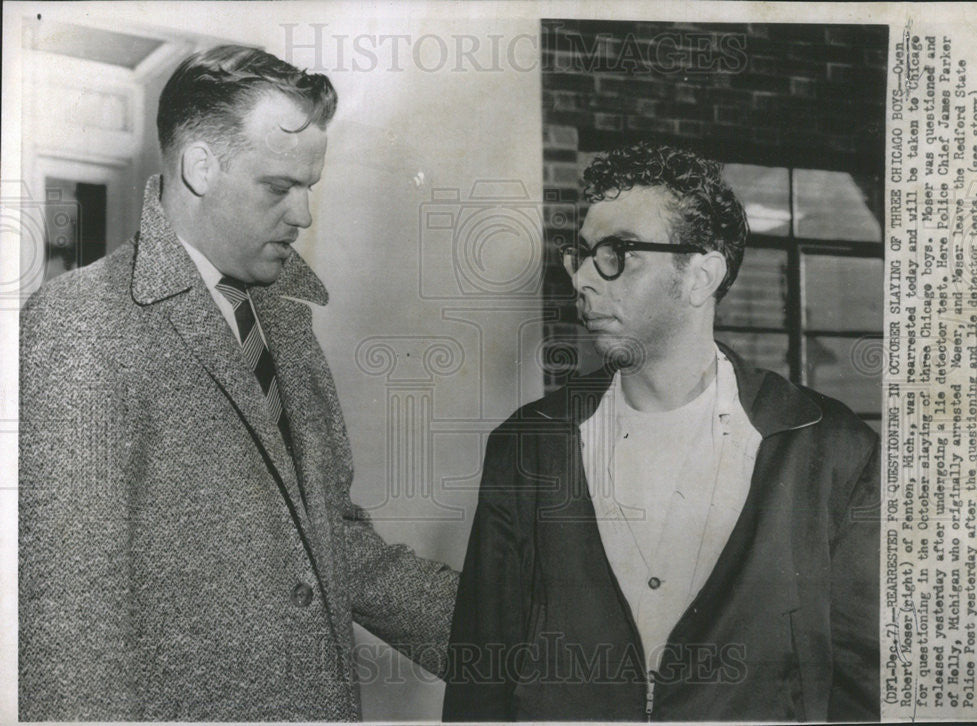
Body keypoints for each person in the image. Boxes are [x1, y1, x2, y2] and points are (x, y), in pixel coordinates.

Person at [19, 45, 458, 721]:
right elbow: (72, 628)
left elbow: (330, 541)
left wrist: (517, 634)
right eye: (279, 187)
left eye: (310, 187)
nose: (304, 216)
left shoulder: (283, 322)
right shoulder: (82, 323)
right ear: (200, 167)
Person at [444, 141, 880, 722]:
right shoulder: (528, 447)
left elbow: (862, 684)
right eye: (581, 255)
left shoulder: (829, 447)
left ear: (701, 276)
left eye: (618, 253)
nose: (584, 283)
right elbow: (482, 683)